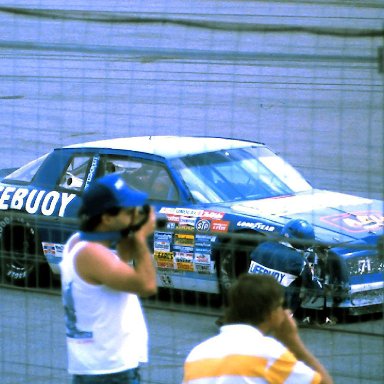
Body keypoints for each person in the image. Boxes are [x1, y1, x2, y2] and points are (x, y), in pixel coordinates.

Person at [60, 173, 157, 384]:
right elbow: (147, 285)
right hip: (108, 372)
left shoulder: (79, 244)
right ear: (106, 218)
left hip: (100, 368)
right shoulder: (91, 253)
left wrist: (125, 246)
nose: (134, 217)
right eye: (129, 212)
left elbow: (114, 282)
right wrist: (141, 239)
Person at [183, 274, 333, 384]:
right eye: (281, 305)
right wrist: (293, 342)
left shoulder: (197, 354)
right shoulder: (270, 353)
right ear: (270, 313)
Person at [248, 219, 326, 322]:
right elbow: (315, 288)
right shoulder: (298, 261)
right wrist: (311, 267)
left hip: (248, 303)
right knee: (299, 282)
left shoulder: (262, 246)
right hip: (274, 313)